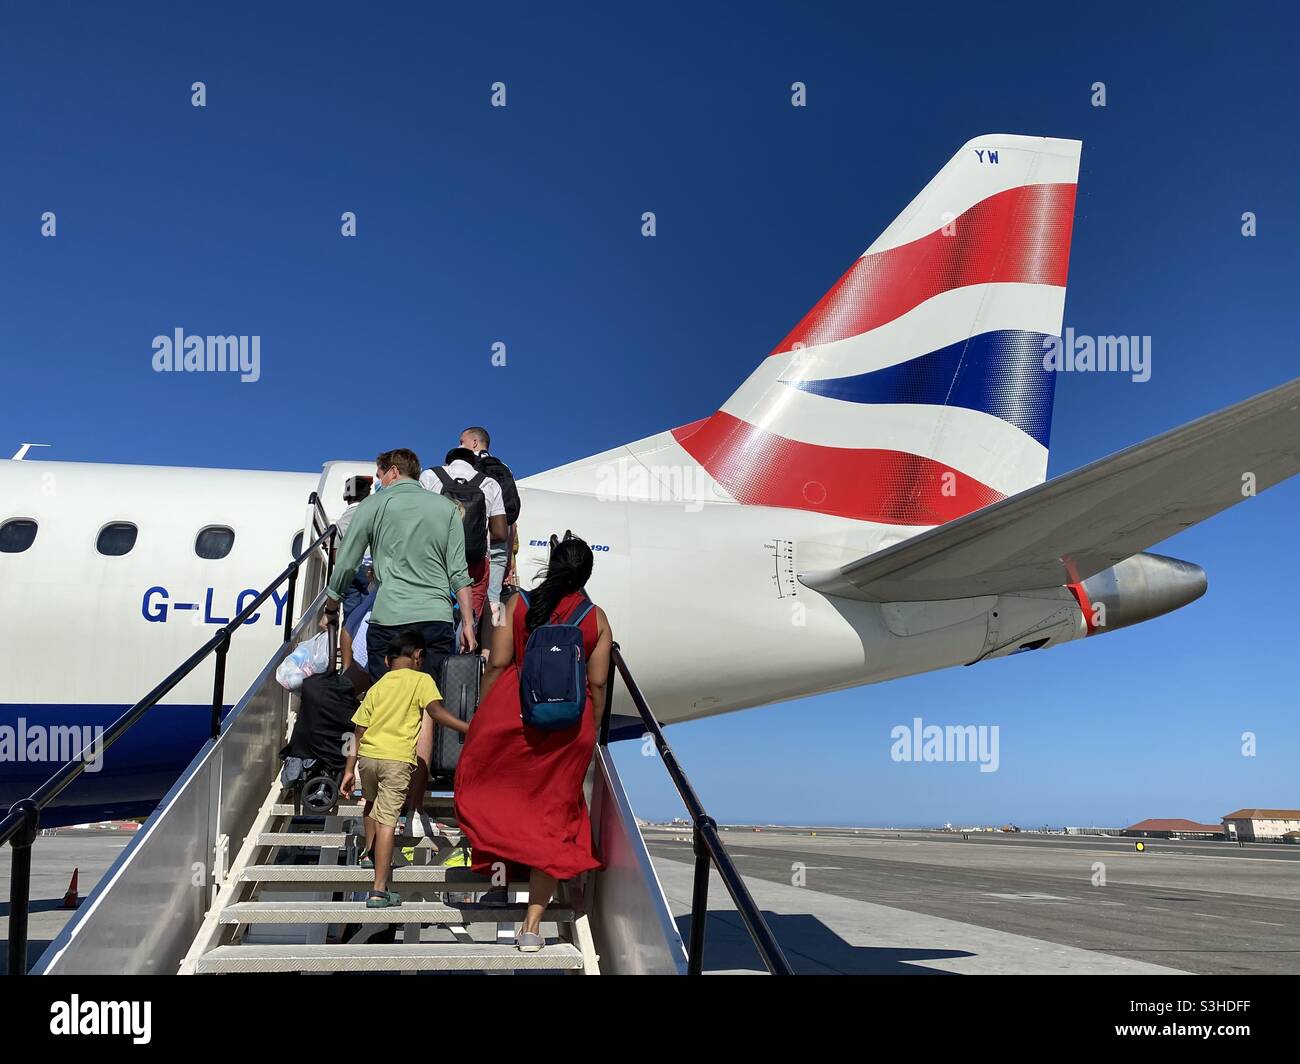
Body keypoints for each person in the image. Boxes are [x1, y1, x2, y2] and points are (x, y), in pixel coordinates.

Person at [453, 536, 612, 952]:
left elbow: (499, 663)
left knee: (501, 802)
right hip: (566, 730)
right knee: (551, 821)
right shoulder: (596, 618)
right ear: (587, 575)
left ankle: (498, 885)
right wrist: (590, 733)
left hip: (514, 719)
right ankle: (532, 927)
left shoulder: (514, 605)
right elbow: (596, 682)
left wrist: (483, 718)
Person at [321, 449, 476, 680]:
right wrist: (467, 624)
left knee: (387, 699)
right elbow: (459, 574)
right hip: (436, 618)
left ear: (393, 472)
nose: (378, 482)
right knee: (429, 697)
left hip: (390, 617)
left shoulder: (372, 505)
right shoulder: (448, 509)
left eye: (379, 475)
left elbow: (346, 564)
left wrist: (331, 608)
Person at [341, 629, 470, 908]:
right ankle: (378, 890)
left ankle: (367, 854)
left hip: (368, 759)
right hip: (396, 760)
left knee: (370, 804)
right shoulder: (422, 679)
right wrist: (469, 728)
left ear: (387, 662)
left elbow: (356, 731)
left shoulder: (378, 686)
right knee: (388, 821)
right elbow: (436, 713)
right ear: (419, 657)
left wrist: (349, 769)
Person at [419, 447, 507, 639]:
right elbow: (501, 533)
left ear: (448, 461)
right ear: (474, 463)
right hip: (474, 563)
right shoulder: (489, 483)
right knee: (469, 621)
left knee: (434, 618)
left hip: (436, 560)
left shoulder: (430, 476)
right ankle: (463, 657)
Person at [459, 427, 520, 636]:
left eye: (462, 441)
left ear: (474, 443)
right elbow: (512, 521)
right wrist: (509, 560)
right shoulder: (504, 467)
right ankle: (494, 644)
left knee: (469, 595)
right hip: (501, 546)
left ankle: (468, 644)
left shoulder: (470, 468)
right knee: (496, 599)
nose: (460, 446)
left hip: (479, 544)